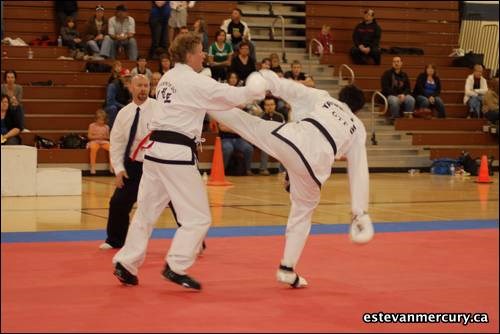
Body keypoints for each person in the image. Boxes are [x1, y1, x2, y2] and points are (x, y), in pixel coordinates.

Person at [111, 32, 266, 289]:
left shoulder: (168, 78)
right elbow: (230, 95)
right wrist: (256, 88)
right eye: (200, 51)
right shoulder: (193, 81)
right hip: (175, 154)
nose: (204, 55)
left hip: (154, 153)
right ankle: (176, 265)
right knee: (198, 218)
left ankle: (126, 263)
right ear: (189, 55)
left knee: (146, 213)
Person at [207, 70, 374, 288]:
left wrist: (266, 79)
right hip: (314, 168)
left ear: (340, 96)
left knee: (247, 124)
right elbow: (359, 169)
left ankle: (203, 100)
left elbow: (290, 89)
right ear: (358, 110)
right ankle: (287, 268)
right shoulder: (357, 127)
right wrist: (359, 212)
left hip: (293, 141)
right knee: (302, 214)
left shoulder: (324, 98)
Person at [381, 56, 415, 123]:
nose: (396, 63)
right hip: (391, 95)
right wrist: (397, 95)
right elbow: (385, 88)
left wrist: (403, 95)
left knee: (411, 99)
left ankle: (407, 117)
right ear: (392, 63)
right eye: (394, 62)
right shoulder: (387, 74)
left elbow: (408, 88)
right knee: (394, 100)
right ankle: (395, 119)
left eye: (398, 61)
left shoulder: (404, 75)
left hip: (403, 95)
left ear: (401, 63)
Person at [259, 96, 284, 175]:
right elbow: (258, 131)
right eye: (268, 105)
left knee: (285, 147)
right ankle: (263, 169)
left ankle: (282, 170)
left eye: (272, 105)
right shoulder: (260, 116)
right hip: (263, 139)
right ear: (264, 106)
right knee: (265, 147)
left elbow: (283, 130)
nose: (270, 107)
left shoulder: (280, 116)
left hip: (276, 139)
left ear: (275, 106)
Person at [87, 109, 110, 175]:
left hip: (103, 142)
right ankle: (93, 167)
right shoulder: (92, 125)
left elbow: (108, 137)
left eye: (103, 120)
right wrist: (97, 137)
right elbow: (89, 136)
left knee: (111, 148)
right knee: (93, 148)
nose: (101, 121)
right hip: (94, 141)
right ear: (96, 119)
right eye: (99, 120)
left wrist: (104, 137)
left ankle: (112, 167)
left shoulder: (106, 127)